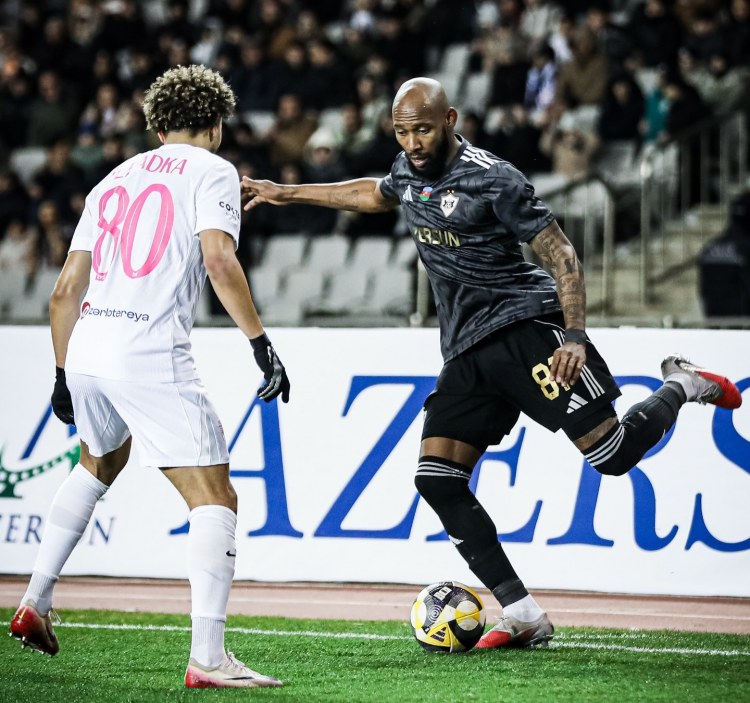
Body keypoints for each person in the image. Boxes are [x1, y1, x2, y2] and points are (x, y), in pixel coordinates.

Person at [241, 76, 742, 649]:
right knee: (437, 479)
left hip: (525, 328)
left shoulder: (494, 178)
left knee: (613, 455)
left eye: (423, 129)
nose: (413, 143)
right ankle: (523, 613)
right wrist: (285, 192)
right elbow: (372, 194)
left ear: (450, 119)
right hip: (466, 349)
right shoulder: (407, 169)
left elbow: (561, 252)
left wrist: (574, 336)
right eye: (402, 132)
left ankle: (682, 383)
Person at [9, 64, 289, 689]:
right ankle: (208, 659)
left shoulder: (113, 178)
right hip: (148, 349)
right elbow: (219, 259)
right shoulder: (213, 170)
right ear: (216, 124)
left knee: (98, 462)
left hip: (87, 345)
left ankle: (34, 601)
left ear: (157, 126)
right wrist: (259, 342)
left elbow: (64, 290)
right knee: (215, 497)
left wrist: (62, 373)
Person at [698, 191, 750, 317]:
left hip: (715, 321)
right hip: (742, 323)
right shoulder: (746, 248)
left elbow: (704, 292)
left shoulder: (710, 247)